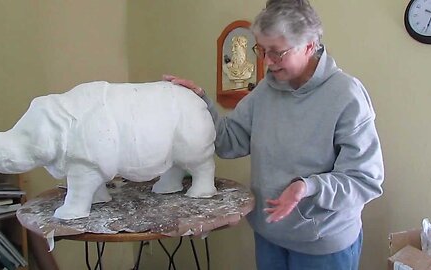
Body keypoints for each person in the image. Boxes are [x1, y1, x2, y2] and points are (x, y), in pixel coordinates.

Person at [164, 0, 384, 269]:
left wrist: (308, 186)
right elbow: (228, 141)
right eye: (262, 50)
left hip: (322, 245)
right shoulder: (265, 92)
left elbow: (365, 180)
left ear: (309, 46)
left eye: (277, 52)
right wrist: (200, 102)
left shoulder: (346, 96)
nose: (267, 62)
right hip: (270, 236)